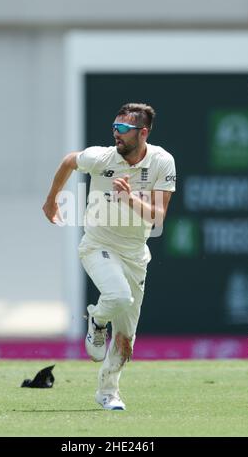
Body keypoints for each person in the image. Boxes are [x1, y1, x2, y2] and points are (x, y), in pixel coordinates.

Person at [43, 103, 176, 411]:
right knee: (117, 296)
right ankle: (98, 320)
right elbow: (68, 161)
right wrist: (51, 201)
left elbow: (158, 217)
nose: (116, 133)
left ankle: (108, 392)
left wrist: (128, 198)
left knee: (126, 338)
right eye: (114, 127)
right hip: (97, 245)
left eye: (124, 129)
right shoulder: (102, 157)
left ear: (143, 133)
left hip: (135, 254)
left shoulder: (162, 161)